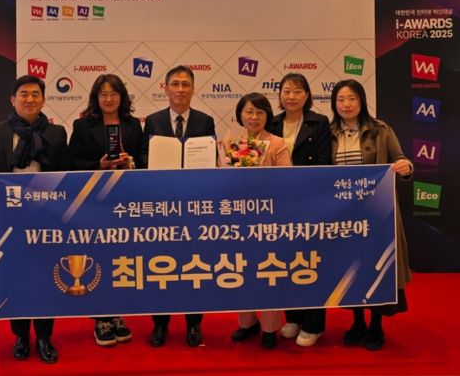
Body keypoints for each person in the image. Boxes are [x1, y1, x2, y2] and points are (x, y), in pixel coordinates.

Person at [0, 75, 68, 364]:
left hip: (46, 216)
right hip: (8, 217)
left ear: (43, 100)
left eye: (35, 94)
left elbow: (66, 172)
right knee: (15, 276)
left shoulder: (56, 133)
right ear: (13, 100)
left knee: (45, 276)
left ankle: (44, 336)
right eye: (24, 94)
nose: (30, 99)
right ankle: (20, 335)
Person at [329, 79, 412, 351]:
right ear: (334, 104)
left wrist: (406, 166)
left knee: (378, 267)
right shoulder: (328, 133)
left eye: (352, 98)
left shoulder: (381, 130)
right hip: (344, 216)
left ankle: (376, 325)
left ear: (361, 101)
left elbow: (401, 159)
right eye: (341, 99)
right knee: (352, 268)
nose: (346, 104)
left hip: (377, 214)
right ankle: (357, 323)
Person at [141, 65, 215, 348]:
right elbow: (145, 158)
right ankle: (160, 324)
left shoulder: (205, 120)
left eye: (186, 84)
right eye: (175, 84)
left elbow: (210, 159)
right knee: (161, 267)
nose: (180, 89)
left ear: (193, 89)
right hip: (161, 207)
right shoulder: (154, 121)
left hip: (195, 207)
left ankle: (194, 323)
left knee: (194, 267)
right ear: (166, 88)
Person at [68, 73, 141, 346]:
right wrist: (98, 166)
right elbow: (71, 162)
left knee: (120, 259)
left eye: (114, 93)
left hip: (126, 201)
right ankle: (101, 318)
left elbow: (144, 160)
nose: (109, 99)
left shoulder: (133, 125)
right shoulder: (82, 125)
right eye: (103, 94)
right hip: (94, 201)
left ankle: (118, 314)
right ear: (96, 98)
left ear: (122, 97)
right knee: (98, 258)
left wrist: (130, 162)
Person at [266, 73, 331, 348]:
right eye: (286, 91)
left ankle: (313, 324)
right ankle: (293, 317)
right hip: (278, 203)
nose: (291, 96)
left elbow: (325, 163)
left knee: (310, 261)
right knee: (285, 261)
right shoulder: (272, 123)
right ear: (279, 95)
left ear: (307, 95)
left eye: (297, 91)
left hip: (309, 200)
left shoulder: (319, 122)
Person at [227, 92, 290, 349]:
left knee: (268, 271)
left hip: (269, 218)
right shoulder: (230, 142)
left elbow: (287, 179)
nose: (254, 117)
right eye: (249, 111)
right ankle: (247, 323)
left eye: (260, 112)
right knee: (241, 270)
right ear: (240, 114)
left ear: (267, 116)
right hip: (238, 218)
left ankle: (270, 327)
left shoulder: (277, 143)